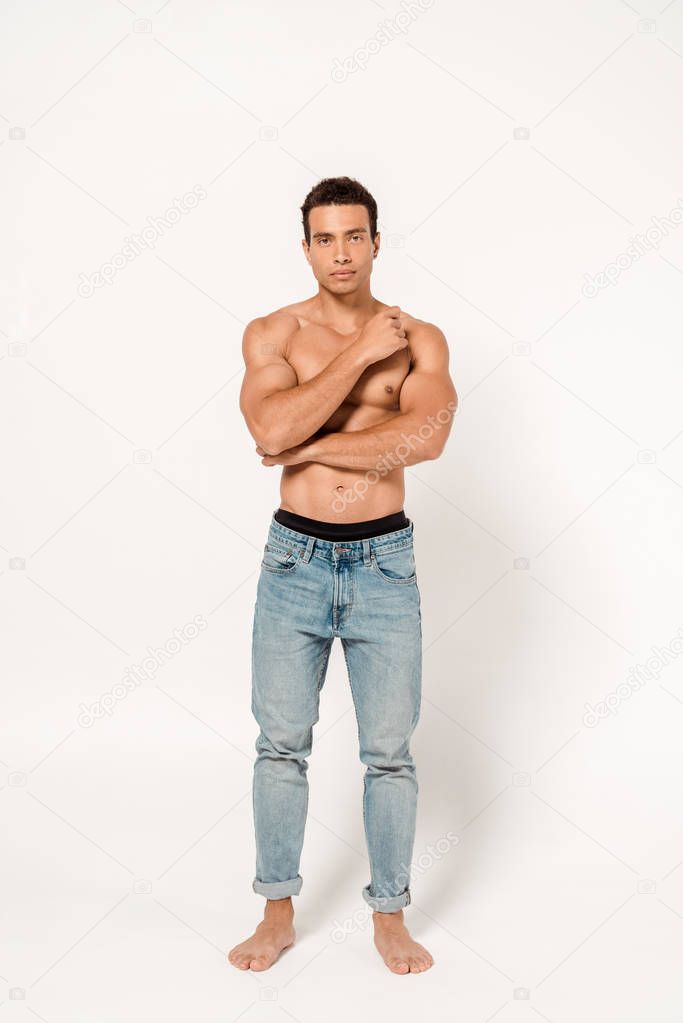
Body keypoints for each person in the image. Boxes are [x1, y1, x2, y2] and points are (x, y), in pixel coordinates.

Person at [229, 176, 457, 975]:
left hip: (384, 562)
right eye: (324, 238)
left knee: (388, 752)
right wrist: (359, 356)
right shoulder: (272, 332)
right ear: (305, 248)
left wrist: (311, 444)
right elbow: (270, 425)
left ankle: (389, 915)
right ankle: (276, 911)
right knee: (280, 746)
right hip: (293, 559)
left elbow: (427, 435)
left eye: (354, 235)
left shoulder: (420, 336)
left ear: (375, 242)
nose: (340, 252)